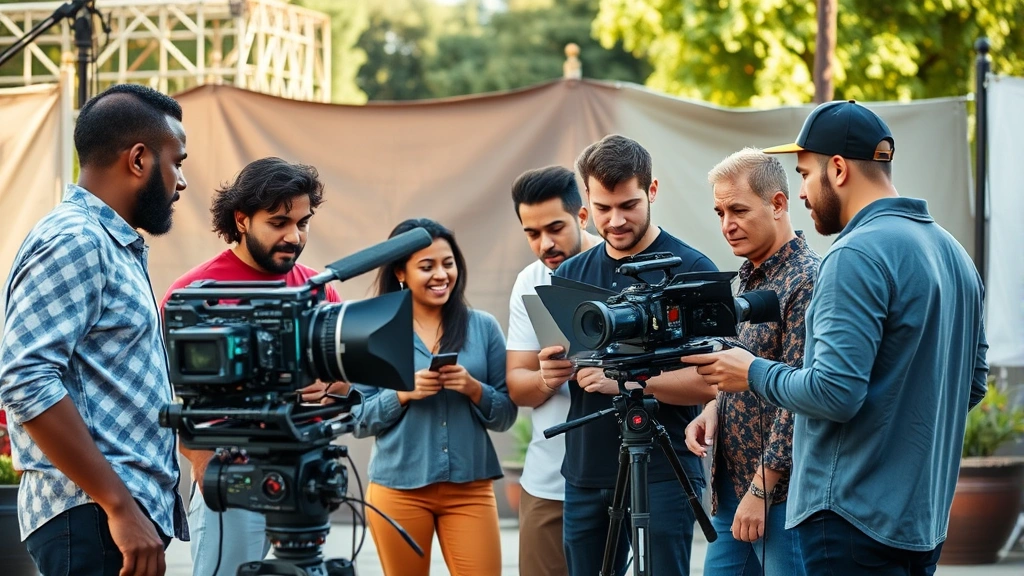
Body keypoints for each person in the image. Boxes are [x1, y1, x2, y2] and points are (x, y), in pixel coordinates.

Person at [683, 100, 988, 576]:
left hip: (848, 519)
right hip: (920, 521)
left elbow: (834, 393)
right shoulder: (954, 254)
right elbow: (971, 385)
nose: (802, 193)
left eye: (804, 174)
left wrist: (752, 372)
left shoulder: (854, 255)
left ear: (839, 169)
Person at [0, 84, 188, 576]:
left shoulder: (108, 243)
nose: (182, 180)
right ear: (139, 159)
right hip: (92, 519)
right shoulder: (77, 240)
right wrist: (119, 506)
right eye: (177, 161)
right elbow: (25, 380)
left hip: (105, 516)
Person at [541, 134, 719, 576]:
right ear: (587, 201)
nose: (615, 220)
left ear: (652, 191)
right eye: (602, 208)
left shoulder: (693, 270)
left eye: (628, 205)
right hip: (585, 470)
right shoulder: (567, 276)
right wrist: (551, 370)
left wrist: (625, 381)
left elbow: (713, 381)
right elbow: (558, 370)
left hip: (665, 465)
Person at [161, 157, 345, 576]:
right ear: (241, 219)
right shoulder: (194, 294)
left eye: (303, 222)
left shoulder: (319, 289)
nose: (294, 236)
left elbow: (346, 380)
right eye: (279, 222)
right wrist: (204, 462)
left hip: (302, 478)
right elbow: (164, 396)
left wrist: (329, 387)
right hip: (233, 476)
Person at [351, 218, 517, 576]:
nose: (441, 275)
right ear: (401, 272)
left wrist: (475, 389)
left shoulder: (483, 327)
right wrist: (402, 395)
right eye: (426, 267)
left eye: (448, 263)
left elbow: (506, 415)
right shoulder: (373, 332)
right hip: (398, 490)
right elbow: (358, 419)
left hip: (470, 488)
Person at [684, 148, 818, 576]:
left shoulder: (808, 279)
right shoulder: (743, 275)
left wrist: (762, 491)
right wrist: (711, 410)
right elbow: (733, 369)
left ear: (778, 204)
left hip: (782, 497)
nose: (727, 224)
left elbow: (801, 397)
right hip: (732, 487)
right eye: (720, 211)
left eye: (738, 209)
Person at [505, 166, 602, 576]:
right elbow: (517, 384)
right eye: (531, 233)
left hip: (627, 470)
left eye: (555, 228)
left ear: (582, 216)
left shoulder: (622, 266)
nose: (545, 243)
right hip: (551, 479)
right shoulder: (529, 281)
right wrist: (545, 378)